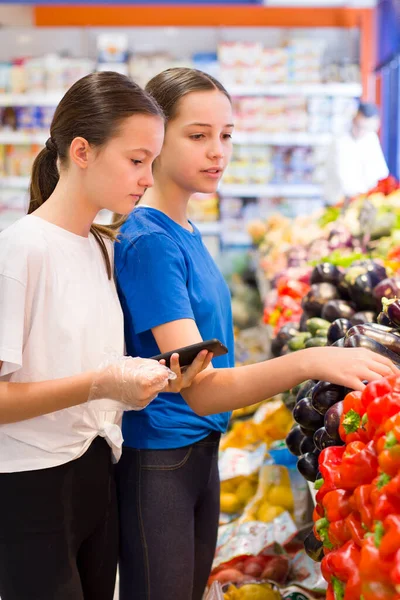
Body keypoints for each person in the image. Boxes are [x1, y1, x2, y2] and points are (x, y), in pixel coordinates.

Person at [114, 68, 397, 600]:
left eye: (226, 135)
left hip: (194, 453)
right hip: (162, 458)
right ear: (152, 138)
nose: (217, 151)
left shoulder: (185, 229)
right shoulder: (151, 242)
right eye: (197, 136)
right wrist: (310, 359)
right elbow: (202, 390)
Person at [0, 71, 211, 600]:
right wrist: (99, 383)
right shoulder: (20, 251)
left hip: (96, 472)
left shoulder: (103, 246)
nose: (147, 175)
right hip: (30, 486)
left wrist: (151, 378)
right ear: (81, 151)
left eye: (152, 160)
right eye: (136, 160)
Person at [324, 101, 389, 205]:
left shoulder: (371, 138)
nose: (361, 131)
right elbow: (347, 182)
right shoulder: (340, 141)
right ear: (354, 119)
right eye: (359, 126)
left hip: (362, 201)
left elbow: (380, 172)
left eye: (367, 128)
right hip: (338, 203)